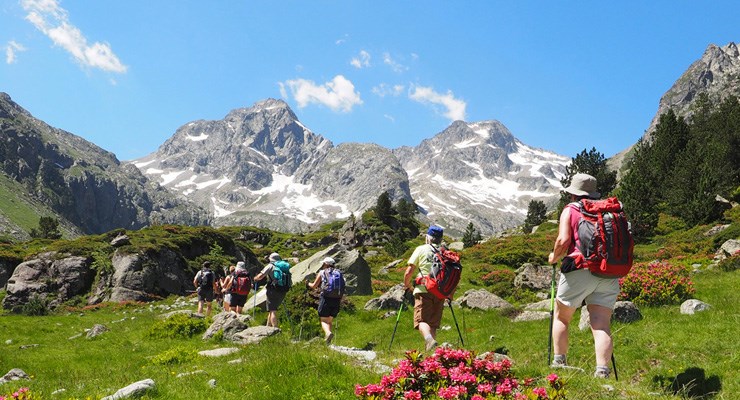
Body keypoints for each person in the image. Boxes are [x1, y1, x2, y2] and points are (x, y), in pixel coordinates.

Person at [548, 173, 619, 379]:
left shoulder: (571, 209)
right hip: (608, 271)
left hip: (580, 268)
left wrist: (554, 257)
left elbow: (563, 240)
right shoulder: (609, 211)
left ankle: (559, 362)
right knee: (601, 324)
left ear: (573, 194)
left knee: (562, 317)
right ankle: (602, 372)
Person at [403, 225, 447, 352]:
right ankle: (432, 353)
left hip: (424, 289)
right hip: (440, 292)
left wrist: (407, 285)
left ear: (428, 237)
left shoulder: (421, 249)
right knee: (432, 324)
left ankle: (429, 340)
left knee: (421, 321)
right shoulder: (445, 251)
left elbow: (409, 271)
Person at [307, 257, 345, 344]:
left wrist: (307, 283)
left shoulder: (322, 272)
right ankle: (327, 341)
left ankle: (328, 333)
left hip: (326, 298)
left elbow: (314, 286)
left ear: (326, 264)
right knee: (329, 320)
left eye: (323, 264)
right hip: (337, 299)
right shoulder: (339, 273)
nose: (322, 265)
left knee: (323, 319)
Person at [254, 252, 289, 327]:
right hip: (283, 290)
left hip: (273, 290)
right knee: (272, 308)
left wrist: (255, 278)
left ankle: (275, 329)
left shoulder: (270, 266)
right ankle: (267, 326)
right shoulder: (284, 266)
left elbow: (260, 276)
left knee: (272, 310)